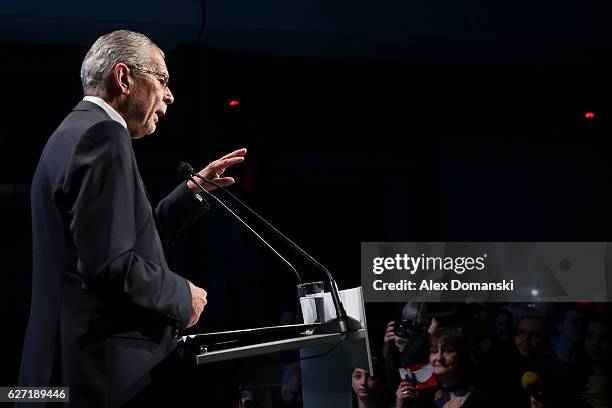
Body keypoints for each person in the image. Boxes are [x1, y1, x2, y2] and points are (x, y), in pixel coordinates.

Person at [18, 29, 247, 407]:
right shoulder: (105, 135)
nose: (170, 95)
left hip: (57, 371)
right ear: (124, 78)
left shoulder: (71, 132)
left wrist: (189, 195)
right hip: (99, 379)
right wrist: (181, 296)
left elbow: (110, 243)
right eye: (162, 79)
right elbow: (110, 266)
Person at [395, 327, 487, 408]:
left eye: (447, 351)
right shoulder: (423, 397)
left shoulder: (478, 397)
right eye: (434, 351)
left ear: (461, 355)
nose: (439, 358)